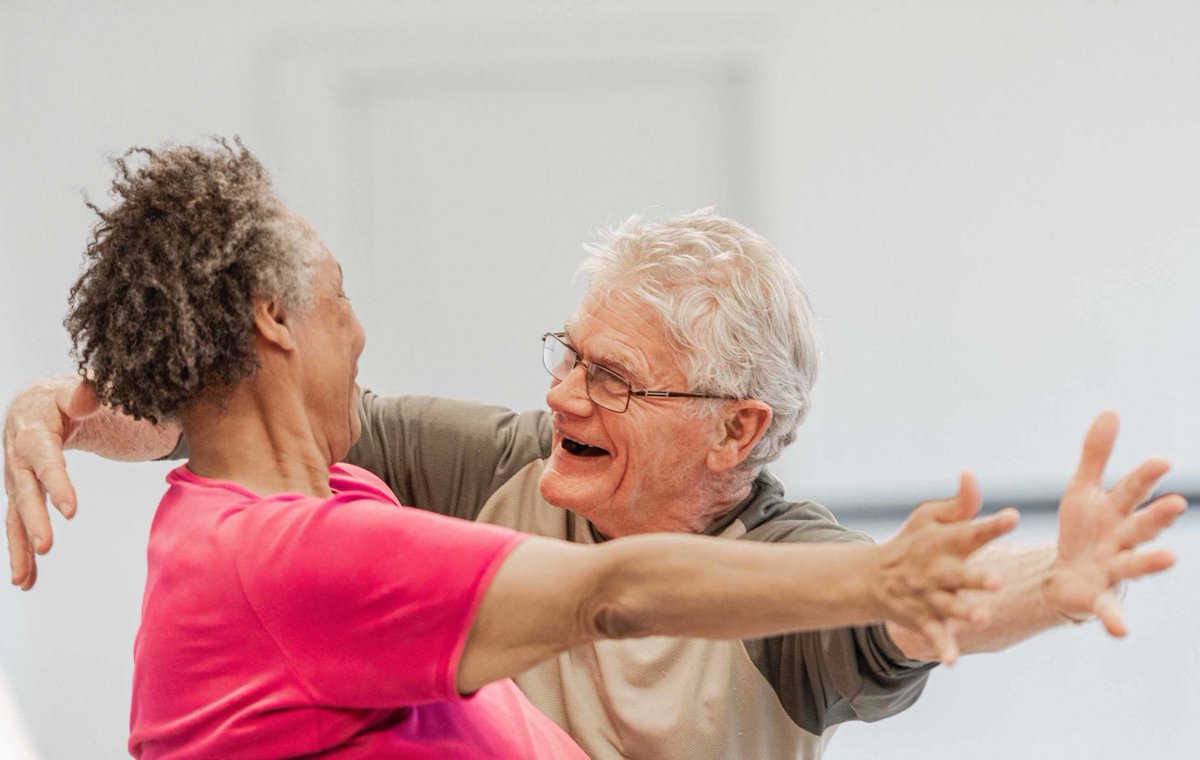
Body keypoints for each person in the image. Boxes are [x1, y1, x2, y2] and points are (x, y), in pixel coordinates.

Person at [5, 170, 1185, 759]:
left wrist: (1044, 592)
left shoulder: (787, 566)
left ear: (735, 428)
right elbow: (265, 418)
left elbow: (904, 613)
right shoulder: (490, 467)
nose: (564, 393)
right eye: (569, 354)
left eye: (611, 378)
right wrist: (66, 406)